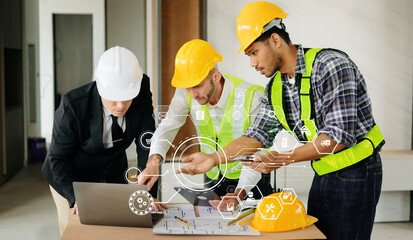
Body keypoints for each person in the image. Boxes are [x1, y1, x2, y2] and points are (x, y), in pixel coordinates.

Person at [176, 2, 385, 239]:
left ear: (275, 40)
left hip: (358, 172)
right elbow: (255, 136)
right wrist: (214, 159)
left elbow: (337, 138)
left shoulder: (331, 66)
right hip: (323, 173)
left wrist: (282, 159)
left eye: (254, 52)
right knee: (317, 236)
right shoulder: (276, 88)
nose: (252, 63)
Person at [138, 39, 273, 210]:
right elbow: (168, 125)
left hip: (251, 182)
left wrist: (239, 193)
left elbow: (258, 151)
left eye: (198, 86)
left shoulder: (251, 96)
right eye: (188, 88)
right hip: (213, 178)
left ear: (216, 76)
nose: (193, 94)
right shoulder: (188, 91)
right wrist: (153, 162)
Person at [42, 46, 164, 235]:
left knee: (119, 228)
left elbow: (145, 139)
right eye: (114, 99)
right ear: (100, 86)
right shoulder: (72, 106)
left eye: (126, 97)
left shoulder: (139, 89)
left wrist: (147, 193)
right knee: (78, 231)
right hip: (71, 175)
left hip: (113, 169)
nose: (121, 105)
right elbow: (57, 160)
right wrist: (76, 199)